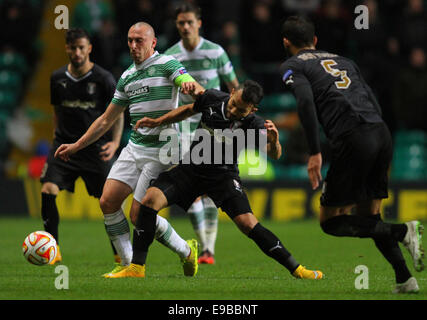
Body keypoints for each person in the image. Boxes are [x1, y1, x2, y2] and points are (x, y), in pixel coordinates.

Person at [102, 79, 324, 280]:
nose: (234, 110)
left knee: (248, 224)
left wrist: (275, 141)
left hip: (223, 178)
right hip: (190, 170)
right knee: (148, 203)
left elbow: (274, 153)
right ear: (233, 91)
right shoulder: (211, 98)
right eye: (234, 102)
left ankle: (297, 269)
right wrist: (157, 121)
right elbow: (187, 110)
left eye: (241, 110)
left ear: (252, 110)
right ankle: (137, 268)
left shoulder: (253, 123)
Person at [280, 16, 424, 293]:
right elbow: (371, 97)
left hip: (353, 136)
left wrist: (314, 152)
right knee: (370, 215)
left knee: (331, 221)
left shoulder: (294, 65)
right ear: (316, 40)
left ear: (286, 42)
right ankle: (405, 279)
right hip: (380, 131)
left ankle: (404, 232)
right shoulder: (345, 61)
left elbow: (305, 103)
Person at [54, 22, 205, 277]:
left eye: (140, 40)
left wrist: (190, 86)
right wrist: (77, 145)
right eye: (130, 40)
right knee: (108, 202)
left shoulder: (166, 63)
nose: (134, 46)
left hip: (162, 151)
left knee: (139, 215)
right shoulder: (127, 77)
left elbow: (187, 82)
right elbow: (106, 119)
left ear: (153, 42)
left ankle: (186, 252)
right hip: (135, 147)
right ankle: (127, 264)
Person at [164, 2, 239, 264]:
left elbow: (234, 87)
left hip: (213, 126)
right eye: (180, 23)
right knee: (191, 187)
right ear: (177, 25)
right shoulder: (171, 56)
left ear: (199, 24)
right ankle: (206, 248)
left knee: (209, 189)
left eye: (189, 22)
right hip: (183, 126)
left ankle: (208, 248)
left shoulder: (216, 52)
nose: (185, 27)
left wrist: (237, 118)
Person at [41, 28, 124, 265]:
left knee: (108, 202)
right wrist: (55, 139)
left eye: (81, 47)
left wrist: (115, 143)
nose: (77, 52)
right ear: (67, 48)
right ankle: (52, 249)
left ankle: (119, 253)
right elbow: (57, 112)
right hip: (64, 146)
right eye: (72, 47)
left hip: (95, 148)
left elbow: (117, 114)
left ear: (89, 49)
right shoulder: (57, 78)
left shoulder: (104, 78)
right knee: (48, 190)